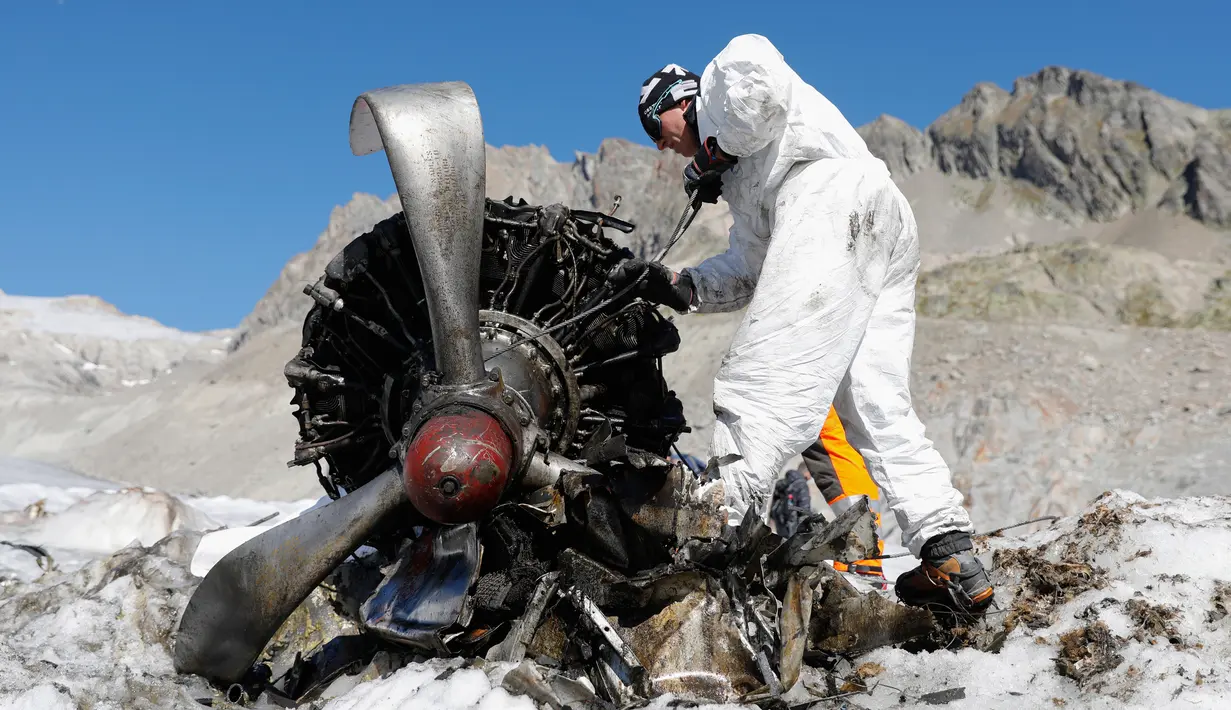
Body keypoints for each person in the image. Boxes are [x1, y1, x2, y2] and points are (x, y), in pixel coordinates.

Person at [613, 35, 994, 615]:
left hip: (832, 198)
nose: (660, 142)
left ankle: (712, 548)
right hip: (878, 222)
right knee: (872, 404)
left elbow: (757, 66)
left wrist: (715, 143)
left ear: (676, 98)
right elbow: (751, 268)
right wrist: (681, 285)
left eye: (654, 123)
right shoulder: (743, 179)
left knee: (760, 381)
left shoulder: (719, 86)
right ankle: (950, 555)